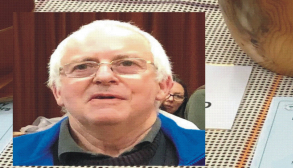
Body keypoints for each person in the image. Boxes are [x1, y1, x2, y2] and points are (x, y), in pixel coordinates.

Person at [13, 20, 205, 166]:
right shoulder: (13, 156)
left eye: (127, 63)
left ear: (162, 86)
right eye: (82, 66)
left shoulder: (209, 152)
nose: (104, 76)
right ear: (57, 91)